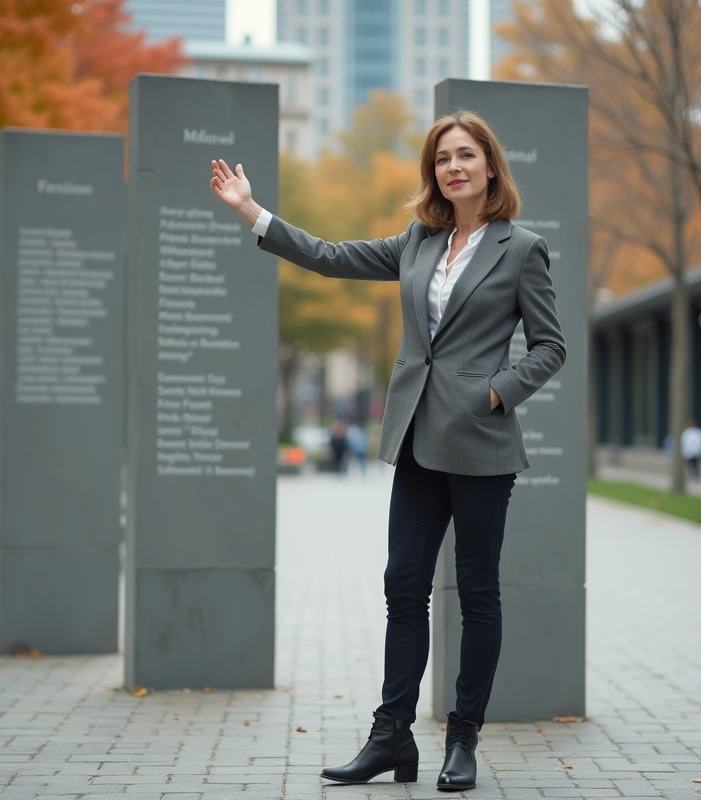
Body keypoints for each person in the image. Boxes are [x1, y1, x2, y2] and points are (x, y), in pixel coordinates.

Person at [209, 110, 565, 791]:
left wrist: (496, 393)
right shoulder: (418, 241)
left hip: (483, 445)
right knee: (402, 585)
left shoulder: (522, 248)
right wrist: (254, 213)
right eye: (441, 159)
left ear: (490, 165)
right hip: (416, 442)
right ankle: (391, 738)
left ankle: (463, 739)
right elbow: (332, 256)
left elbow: (551, 346)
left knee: (477, 592)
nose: (452, 167)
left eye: (465, 155)